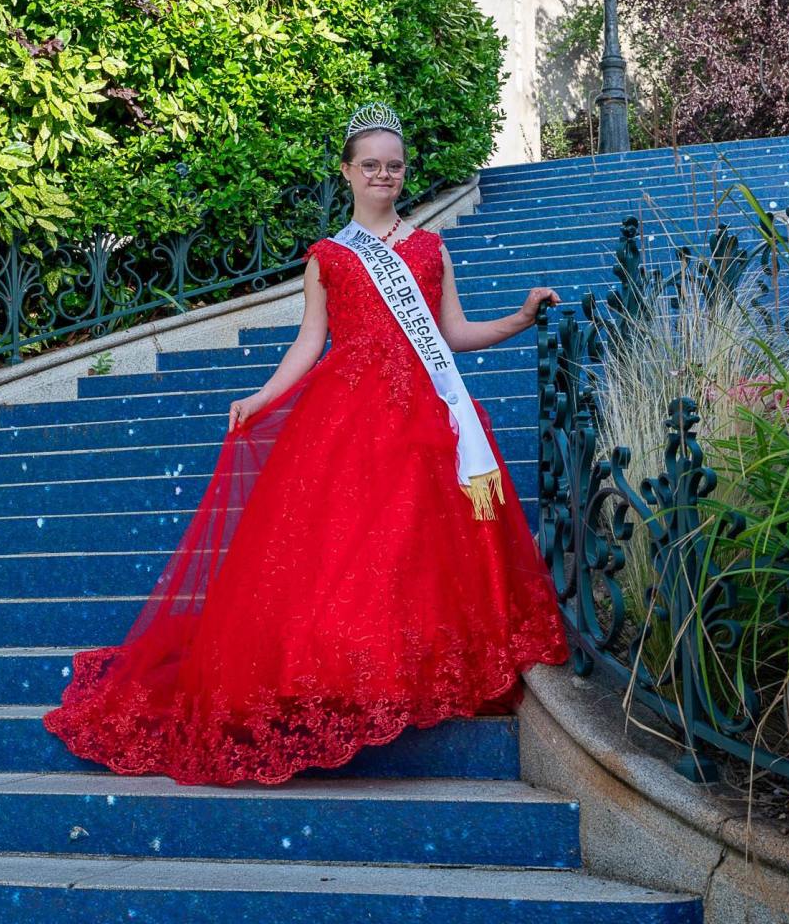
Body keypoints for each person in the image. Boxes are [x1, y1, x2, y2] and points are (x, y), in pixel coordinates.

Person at [42, 102, 571, 786]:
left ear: (405, 172)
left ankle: (402, 671)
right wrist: (262, 398)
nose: (383, 175)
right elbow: (308, 343)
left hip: (425, 421)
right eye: (370, 165)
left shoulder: (431, 249)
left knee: (411, 551)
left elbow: (454, 335)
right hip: (346, 420)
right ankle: (343, 674)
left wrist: (520, 319)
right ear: (348, 172)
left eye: (394, 166)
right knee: (347, 552)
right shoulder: (328, 257)